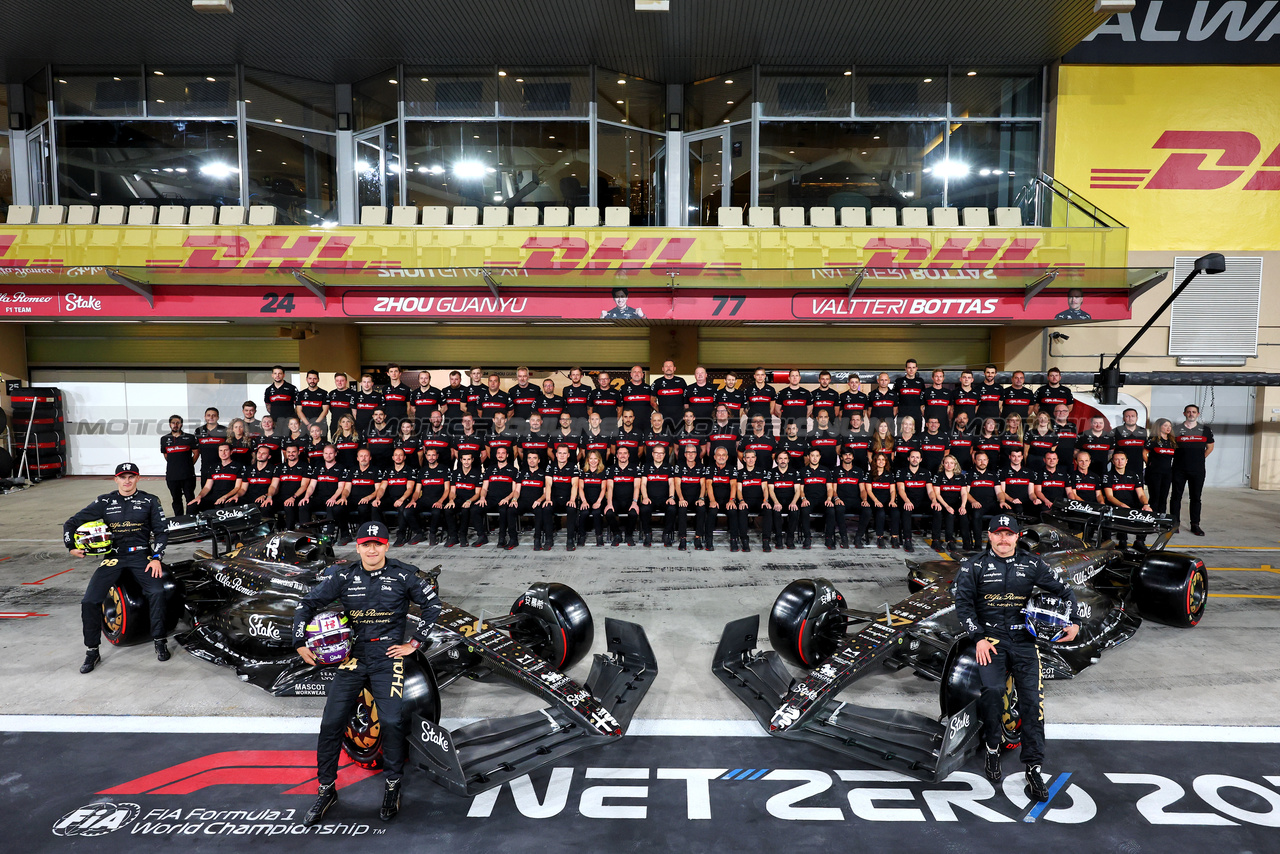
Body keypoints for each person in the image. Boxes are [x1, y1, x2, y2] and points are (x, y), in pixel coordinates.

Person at [294, 520, 441, 826]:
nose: (372, 549)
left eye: (378, 544)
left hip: (388, 656)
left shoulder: (403, 573)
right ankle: (325, 789)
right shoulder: (343, 575)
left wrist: (415, 643)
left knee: (390, 720)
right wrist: (299, 641)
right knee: (332, 721)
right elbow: (307, 603)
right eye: (365, 544)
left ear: (386, 546)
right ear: (358, 547)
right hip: (353, 656)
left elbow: (433, 605)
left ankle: (392, 785)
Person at [952, 514, 1079, 801]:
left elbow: (1066, 592)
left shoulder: (1033, 564)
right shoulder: (974, 566)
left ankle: (1033, 767)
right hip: (991, 640)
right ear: (989, 535)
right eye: (998, 534)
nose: (1004, 539)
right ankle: (993, 749)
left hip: (1025, 640)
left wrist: (1072, 622)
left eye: (1009, 534)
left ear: (1018, 536)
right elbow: (963, 605)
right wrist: (979, 638)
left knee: (1032, 702)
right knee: (993, 692)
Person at [64, 462, 170, 673]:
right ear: (116, 479)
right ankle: (92, 650)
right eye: (123, 477)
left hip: (142, 555)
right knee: (89, 600)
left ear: (138, 478)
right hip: (113, 557)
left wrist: (156, 557)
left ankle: (159, 640)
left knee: (157, 591)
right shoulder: (105, 501)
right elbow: (71, 522)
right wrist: (71, 547)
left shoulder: (150, 500)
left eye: (131, 477)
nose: (127, 481)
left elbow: (162, 532)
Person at [1170, 404, 1214, 536]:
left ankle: (1195, 524)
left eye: (1194, 412)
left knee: (1196, 498)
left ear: (1198, 414)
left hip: (1197, 470)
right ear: (1184, 414)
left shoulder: (1205, 430)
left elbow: (1210, 447)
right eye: (1188, 412)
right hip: (1179, 469)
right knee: (1175, 497)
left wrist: (1200, 459)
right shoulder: (1176, 429)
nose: (1191, 414)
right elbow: (1171, 448)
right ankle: (1174, 524)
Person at [479, 446, 521, 550]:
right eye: (498, 453)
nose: (500, 455)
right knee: (475, 509)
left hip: (505, 499)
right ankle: (481, 536)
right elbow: (484, 488)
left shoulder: (513, 470)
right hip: (491, 499)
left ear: (507, 455)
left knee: (503, 511)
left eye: (503, 453)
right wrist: (482, 497)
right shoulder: (489, 469)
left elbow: (515, 490)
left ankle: (502, 538)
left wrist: (507, 499)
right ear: (496, 455)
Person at [411, 448, 453, 546]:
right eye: (429, 455)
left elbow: (447, 490)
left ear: (437, 456)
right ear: (425, 456)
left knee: (436, 512)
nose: (431, 457)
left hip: (438, 499)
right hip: (424, 500)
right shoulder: (422, 471)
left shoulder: (444, 469)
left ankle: (432, 534)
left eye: (433, 455)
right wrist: (413, 500)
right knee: (408, 511)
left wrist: (440, 501)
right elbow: (417, 491)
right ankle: (419, 533)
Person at [543, 444, 582, 551]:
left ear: (568, 455)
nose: (562, 455)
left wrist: (572, 499)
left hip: (567, 498)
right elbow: (548, 484)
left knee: (571, 509)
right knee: (546, 508)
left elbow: (575, 485)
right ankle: (548, 539)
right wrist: (548, 499)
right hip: (554, 498)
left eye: (564, 453)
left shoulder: (573, 466)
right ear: (556, 454)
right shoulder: (550, 467)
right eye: (560, 453)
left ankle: (570, 540)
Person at [735, 448, 773, 552]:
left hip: (760, 501)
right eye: (748, 457)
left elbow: (765, 488)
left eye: (752, 457)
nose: (750, 460)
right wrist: (741, 500)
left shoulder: (762, 471)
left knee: (768, 511)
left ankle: (766, 540)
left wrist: (766, 500)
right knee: (742, 511)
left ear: (755, 459)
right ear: (744, 459)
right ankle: (744, 540)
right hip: (746, 501)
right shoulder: (739, 473)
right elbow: (738, 489)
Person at [799, 447, 836, 550]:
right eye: (812, 456)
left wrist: (829, 499)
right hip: (808, 499)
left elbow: (830, 488)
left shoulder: (826, 470)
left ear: (820, 457)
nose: (814, 458)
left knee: (831, 511)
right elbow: (800, 489)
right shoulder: (802, 471)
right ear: (808, 457)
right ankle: (807, 537)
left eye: (817, 456)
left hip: (823, 499)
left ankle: (829, 538)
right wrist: (803, 499)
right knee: (804, 511)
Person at [895, 448, 932, 553]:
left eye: (917, 457)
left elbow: (930, 491)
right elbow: (900, 489)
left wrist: (934, 500)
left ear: (920, 459)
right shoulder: (901, 472)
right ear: (908, 458)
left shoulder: (926, 473)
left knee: (937, 509)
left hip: (921, 501)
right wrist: (907, 501)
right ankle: (908, 540)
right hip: (907, 500)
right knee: (906, 510)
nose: (915, 459)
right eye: (912, 457)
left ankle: (936, 539)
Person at [932, 453, 969, 554]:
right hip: (942, 502)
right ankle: (936, 540)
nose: (949, 465)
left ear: (955, 465)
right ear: (943, 464)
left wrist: (963, 506)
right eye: (947, 463)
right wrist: (947, 506)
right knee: (942, 513)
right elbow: (937, 494)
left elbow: (964, 493)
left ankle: (964, 541)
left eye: (951, 463)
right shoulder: (938, 476)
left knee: (963, 514)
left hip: (956, 503)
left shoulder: (961, 477)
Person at [188, 442, 244, 510]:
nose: (223, 453)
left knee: (222, 505)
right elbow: (207, 487)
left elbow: (237, 487)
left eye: (226, 450)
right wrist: (199, 496)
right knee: (192, 506)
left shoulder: (238, 466)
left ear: (231, 452)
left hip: (228, 497)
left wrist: (225, 497)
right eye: (220, 450)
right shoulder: (213, 467)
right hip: (213, 496)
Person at [703, 446, 738, 552]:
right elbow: (708, 485)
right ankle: (709, 540)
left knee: (732, 511)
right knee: (712, 512)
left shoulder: (732, 468)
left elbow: (733, 485)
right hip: (714, 499)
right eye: (718, 455)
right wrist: (712, 500)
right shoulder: (709, 468)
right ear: (714, 457)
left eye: (723, 455)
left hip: (728, 499)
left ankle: (733, 540)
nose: (721, 457)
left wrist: (732, 500)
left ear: (727, 457)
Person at [161, 414, 198, 516]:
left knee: (190, 497)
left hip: (188, 475)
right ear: (170, 425)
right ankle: (179, 520)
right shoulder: (164, 439)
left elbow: (196, 453)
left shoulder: (190, 438)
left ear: (181, 424)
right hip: (172, 476)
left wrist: (188, 464)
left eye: (178, 423)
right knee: (176, 499)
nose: (175, 425)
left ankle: (191, 518)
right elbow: (166, 455)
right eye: (173, 423)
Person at [447, 453, 487, 547]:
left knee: (465, 510)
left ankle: (463, 536)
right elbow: (452, 491)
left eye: (468, 459)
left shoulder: (477, 473)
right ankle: (453, 537)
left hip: (471, 500)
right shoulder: (455, 473)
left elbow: (477, 493)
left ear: (472, 460)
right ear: (460, 460)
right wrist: (451, 500)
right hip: (458, 499)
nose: (466, 462)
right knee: (448, 510)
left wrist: (469, 501)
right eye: (464, 459)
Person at [639, 442, 675, 547]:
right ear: (652, 454)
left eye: (661, 453)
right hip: (650, 498)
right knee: (644, 509)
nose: (659, 455)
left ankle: (666, 534)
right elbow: (643, 484)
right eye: (656, 453)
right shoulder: (646, 467)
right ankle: (647, 534)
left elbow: (672, 483)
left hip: (665, 498)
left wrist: (671, 497)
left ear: (665, 455)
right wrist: (645, 497)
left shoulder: (669, 467)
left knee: (672, 509)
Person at [832, 449, 868, 549]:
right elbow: (833, 489)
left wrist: (864, 500)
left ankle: (858, 537)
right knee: (839, 509)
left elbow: (862, 490)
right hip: (841, 500)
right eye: (845, 454)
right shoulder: (835, 471)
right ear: (841, 457)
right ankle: (844, 537)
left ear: (852, 457)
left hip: (855, 500)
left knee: (867, 510)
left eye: (850, 455)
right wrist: (836, 498)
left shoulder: (859, 471)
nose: (848, 456)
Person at [672, 443, 706, 551]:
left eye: (693, 452)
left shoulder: (701, 467)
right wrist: (681, 498)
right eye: (688, 452)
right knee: (682, 509)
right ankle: (683, 538)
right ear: (685, 454)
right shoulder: (679, 466)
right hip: (683, 498)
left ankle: (698, 537)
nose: (691, 455)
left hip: (696, 498)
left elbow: (703, 484)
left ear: (696, 454)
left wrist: (701, 498)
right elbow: (677, 484)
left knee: (702, 509)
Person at [767, 449, 802, 550]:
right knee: (776, 511)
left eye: (785, 458)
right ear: (776, 460)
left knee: (794, 511)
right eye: (780, 458)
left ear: (788, 460)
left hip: (791, 501)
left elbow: (798, 490)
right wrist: (776, 502)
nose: (783, 461)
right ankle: (778, 538)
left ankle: (789, 538)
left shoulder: (794, 472)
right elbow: (771, 490)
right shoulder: (772, 472)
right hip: (777, 500)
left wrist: (794, 502)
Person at [862, 452, 899, 548]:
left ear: (886, 462)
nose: (881, 461)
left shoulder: (890, 475)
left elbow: (892, 490)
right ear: (875, 461)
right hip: (875, 501)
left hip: (887, 501)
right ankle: (880, 537)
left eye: (883, 459)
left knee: (895, 512)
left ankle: (894, 537)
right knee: (880, 513)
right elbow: (868, 490)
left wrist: (892, 500)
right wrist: (876, 501)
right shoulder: (870, 474)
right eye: (879, 459)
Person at [607, 445, 642, 547]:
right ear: (617, 455)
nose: (622, 456)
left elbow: (637, 487)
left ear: (628, 455)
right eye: (620, 453)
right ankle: (617, 534)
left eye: (625, 453)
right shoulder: (611, 469)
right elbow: (609, 487)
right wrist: (609, 503)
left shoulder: (635, 468)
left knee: (633, 513)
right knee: (609, 513)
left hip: (630, 500)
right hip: (616, 500)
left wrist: (634, 502)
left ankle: (628, 535)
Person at [965, 451, 1000, 550]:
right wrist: (973, 501)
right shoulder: (969, 474)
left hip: (991, 504)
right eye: (979, 460)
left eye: (984, 460)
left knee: (1006, 513)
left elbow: (999, 492)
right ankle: (978, 543)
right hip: (977, 504)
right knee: (976, 515)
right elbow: (965, 493)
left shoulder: (993, 475)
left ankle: (996, 543)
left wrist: (1002, 501)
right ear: (975, 461)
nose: (982, 462)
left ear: (988, 461)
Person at [517, 450, 552, 550]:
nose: (532, 460)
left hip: (537, 502)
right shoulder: (522, 473)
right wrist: (514, 499)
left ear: (539, 460)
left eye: (534, 458)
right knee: (510, 510)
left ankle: (537, 539)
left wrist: (540, 500)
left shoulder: (543, 474)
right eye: (529, 458)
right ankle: (512, 539)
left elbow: (546, 492)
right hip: (523, 501)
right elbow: (517, 490)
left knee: (540, 511)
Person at [578, 450, 611, 547]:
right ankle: (582, 536)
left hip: (599, 500)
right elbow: (580, 488)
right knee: (584, 513)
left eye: (595, 459)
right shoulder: (583, 472)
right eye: (591, 459)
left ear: (599, 460)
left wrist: (599, 501)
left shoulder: (603, 471)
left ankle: (599, 536)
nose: (593, 461)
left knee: (597, 513)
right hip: (586, 500)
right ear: (587, 460)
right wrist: (583, 501)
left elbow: (603, 488)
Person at [277, 443, 313, 530]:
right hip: (282, 497)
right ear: (285, 453)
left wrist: (293, 497)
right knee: (265, 506)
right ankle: (266, 535)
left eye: (293, 452)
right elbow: (274, 485)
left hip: (298, 497)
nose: (291, 454)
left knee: (289, 505)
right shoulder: (280, 467)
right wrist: (269, 496)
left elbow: (304, 486)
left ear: (298, 453)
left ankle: (290, 532)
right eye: (289, 452)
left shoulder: (305, 466)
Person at [1146, 418, 1176, 515]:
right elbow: (1144, 452)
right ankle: (1152, 517)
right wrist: (1149, 463)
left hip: (1167, 472)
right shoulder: (1153, 440)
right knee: (1155, 497)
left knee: (1163, 497)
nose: (1168, 428)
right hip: (1154, 472)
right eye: (1165, 425)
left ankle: (1162, 518)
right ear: (1159, 427)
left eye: (1170, 426)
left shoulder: (1172, 442)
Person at [1112, 407, 1148, 481]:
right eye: (1127, 416)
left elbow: (1145, 450)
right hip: (1121, 466)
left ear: (1136, 418)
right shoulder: (1116, 431)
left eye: (1132, 416)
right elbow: (1110, 451)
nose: (1130, 418)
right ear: (1123, 418)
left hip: (1137, 466)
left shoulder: (1143, 431)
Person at [652, 360, 688, 431]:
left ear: (674, 368)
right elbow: (652, 400)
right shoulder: (657, 382)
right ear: (663, 368)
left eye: (670, 366)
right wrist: (660, 411)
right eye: (666, 366)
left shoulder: (681, 381)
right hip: (663, 419)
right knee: (665, 440)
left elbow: (686, 399)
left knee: (679, 440)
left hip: (679, 418)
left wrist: (685, 413)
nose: (668, 368)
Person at [194, 407, 226, 487]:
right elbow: (196, 449)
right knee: (205, 492)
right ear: (205, 417)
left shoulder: (225, 430)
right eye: (208, 415)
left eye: (214, 415)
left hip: (221, 467)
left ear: (218, 417)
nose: (211, 417)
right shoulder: (199, 430)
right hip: (205, 467)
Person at [263, 367, 298, 434]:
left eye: (280, 373)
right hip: (275, 422)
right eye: (275, 373)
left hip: (289, 422)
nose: (277, 375)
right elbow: (268, 406)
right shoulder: (268, 390)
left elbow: (297, 406)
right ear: (272, 375)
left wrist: (294, 417)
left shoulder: (291, 388)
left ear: (284, 375)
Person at [776, 369, 812, 435]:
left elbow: (809, 410)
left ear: (800, 378)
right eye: (792, 376)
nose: (795, 378)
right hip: (786, 427)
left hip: (801, 427)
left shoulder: (807, 393)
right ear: (789, 378)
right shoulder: (782, 393)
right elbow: (777, 410)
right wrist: (785, 419)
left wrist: (802, 418)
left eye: (796, 376)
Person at [894, 359, 926, 431]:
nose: (911, 370)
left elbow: (923, 399)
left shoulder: (920, 381)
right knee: (901, 438)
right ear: (905, 369)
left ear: (916, 369)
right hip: (902, 414)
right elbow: (894, 398)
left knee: (917, 438)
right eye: (909, 368)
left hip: (916, 415)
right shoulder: (899, 381)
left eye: (913, 367)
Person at [296, 370, 329, 437]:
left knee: (321, 446)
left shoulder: (324, 393)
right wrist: (308, 424)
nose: (312, 381)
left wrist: (315, 424)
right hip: (305, 425)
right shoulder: (300, 394)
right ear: (306, 379)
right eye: (310, 378)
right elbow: (299, 411)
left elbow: (325, 411)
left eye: (314, 379)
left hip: (320, 424)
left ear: (318, 380)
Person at [409, 370, 443, 435]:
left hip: (432, 424)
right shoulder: (414, 393)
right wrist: (420, 414)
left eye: (426, 378)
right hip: (419, 423)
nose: (423, 380)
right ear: (418, 380)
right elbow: (412, 407)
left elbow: (444, 407)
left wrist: (436, 417)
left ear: (430, 379)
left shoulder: (437, 392)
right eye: (421, 378)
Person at [381, 363, 411, 430]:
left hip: (401, 421)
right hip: (388, 421)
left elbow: (408, 407)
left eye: (396, 371)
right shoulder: (384, 389)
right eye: (391, 371)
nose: (393, 373)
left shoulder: (406, 389)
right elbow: (383, 406)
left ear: (400, 373)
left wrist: (405, 419)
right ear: (388, 374)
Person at [561, 367, 592, 433]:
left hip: (584, 421)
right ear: (570, 376)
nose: (575, 377)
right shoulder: (566, 389)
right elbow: (564, 406)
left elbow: (590, 406)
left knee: (583, 441)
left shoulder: (587, 389)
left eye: (577, 375)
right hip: (570, 422)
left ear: (581, 376)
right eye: (573, 375)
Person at [327, 372, 355, 439]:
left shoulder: (353, 394)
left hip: (348, 426)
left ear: (346, 381)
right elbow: (330, 409)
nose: (339, 383)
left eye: (342, 380)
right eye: (337, 381)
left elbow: (355, 412)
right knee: (335, 446)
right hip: (335, 425)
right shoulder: (331, 394)